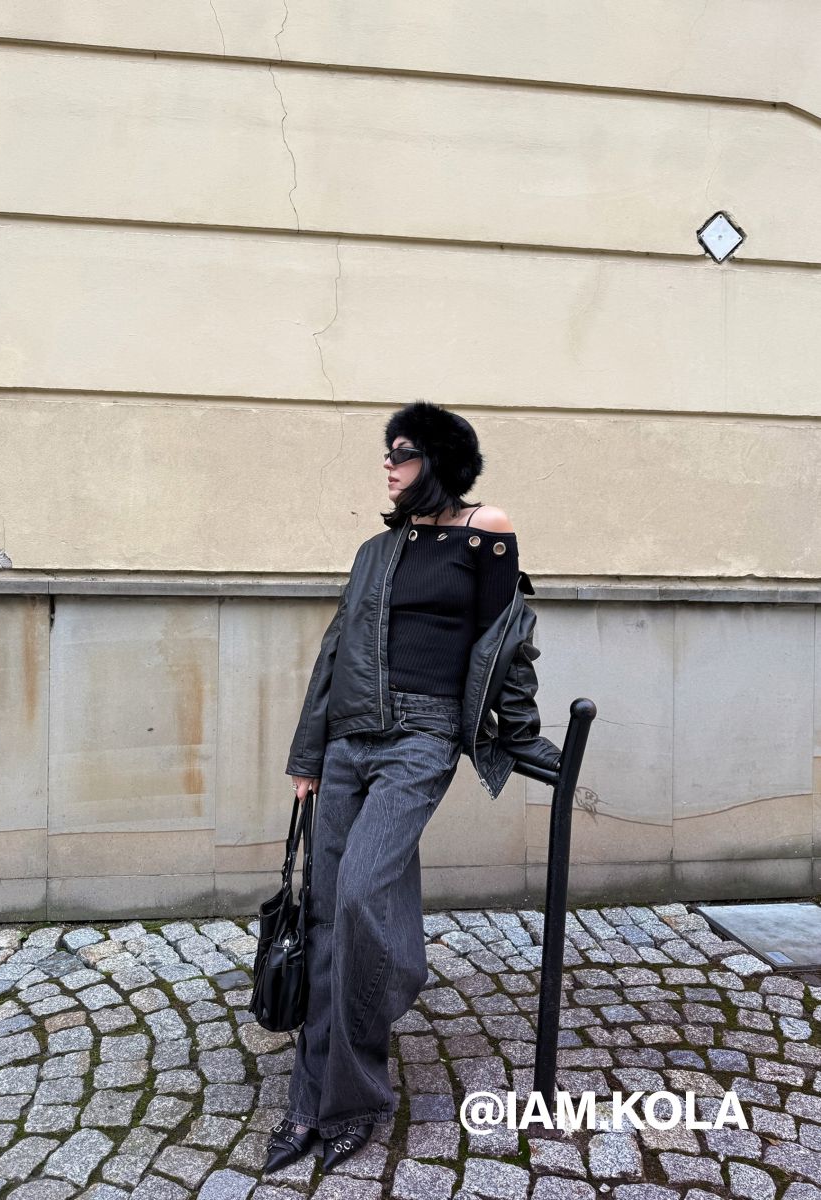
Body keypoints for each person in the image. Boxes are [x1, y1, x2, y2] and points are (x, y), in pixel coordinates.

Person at [265, 401, 527, 1174]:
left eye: (403, 452)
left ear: (438, 461)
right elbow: (334, 651)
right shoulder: (375, 551)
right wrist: (308, 754)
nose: (388, 464)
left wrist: (519, 730)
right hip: (350, 737)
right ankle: (307, 1101)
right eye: (387, 452)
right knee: (326, 913)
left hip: (422, 737)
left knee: (358, 897)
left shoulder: (486, 530)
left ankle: (355, 1099)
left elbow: (507, 640)